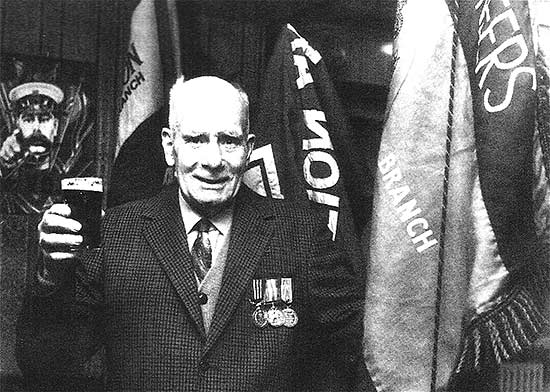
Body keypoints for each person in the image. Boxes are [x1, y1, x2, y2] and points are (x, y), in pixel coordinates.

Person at [16, 76, 375, 392]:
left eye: (229, 141)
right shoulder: (115, 234)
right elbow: (44, 363)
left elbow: (358, 357)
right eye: (196, 140)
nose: (213, 159)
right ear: (170, 146)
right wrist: (51, 273)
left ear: (248, 149)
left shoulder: (301, 235)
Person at [0, 82, 64, 214]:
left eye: (44, 119)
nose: (36, 128)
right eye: (28, 120)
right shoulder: (7, 174)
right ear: (18, 126)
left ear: (55, 126)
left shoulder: (66, 174)